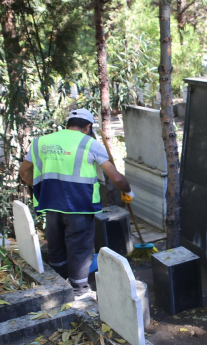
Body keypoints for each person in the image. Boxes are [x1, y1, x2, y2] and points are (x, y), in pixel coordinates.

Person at [19, 108, 134, 298]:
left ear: (67, 125)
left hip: (51, 204)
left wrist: (43, 188)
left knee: (56, 246)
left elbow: (24, 172)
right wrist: (128, 191)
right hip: (79, 206)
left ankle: (58, 284)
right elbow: (117, 179)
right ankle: (80, 290)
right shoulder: (90, 144)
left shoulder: (40, 142)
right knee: (79, 248)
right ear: (88, 127)